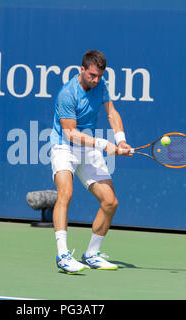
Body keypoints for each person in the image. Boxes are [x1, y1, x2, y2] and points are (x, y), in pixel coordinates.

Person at [50, 50, 132, 274]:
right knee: (65, 193)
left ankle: (91, 254)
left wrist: (120, 140)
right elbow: (70, 134)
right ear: (82, 70)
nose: (95, 80)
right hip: (64, 146)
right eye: (92, 75)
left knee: (110, 202)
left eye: (99, 76)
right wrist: (104, 144)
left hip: (88, 148)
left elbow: (112, 113)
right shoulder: (67, 94)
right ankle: (63, 255)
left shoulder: (101, 85)